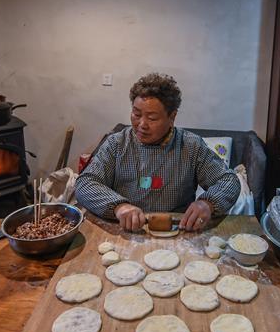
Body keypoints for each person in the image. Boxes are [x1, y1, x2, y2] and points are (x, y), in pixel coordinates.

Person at [75, 73, 240, 232]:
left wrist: (207, 204)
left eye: (152, 118)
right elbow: (85, 183)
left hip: (177, 230)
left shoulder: (190, 146)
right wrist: (119, 207)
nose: (142, 124)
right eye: (136, 114)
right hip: (125, 230)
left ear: (172, 117)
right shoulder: (116, 144)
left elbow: (228, 181)